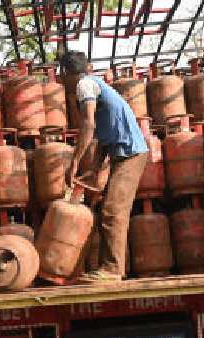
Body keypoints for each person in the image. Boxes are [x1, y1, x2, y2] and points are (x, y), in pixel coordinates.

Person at [60, 50, 149, 283]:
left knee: (113, 212)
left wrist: (74, 163)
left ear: (66, 73)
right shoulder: (95, 85)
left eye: (62, 76)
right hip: (124, 154)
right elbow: (101, 136)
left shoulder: (84, 85)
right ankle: (109, 267)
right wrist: (93, 170)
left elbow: (88, 126)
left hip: (131, 154)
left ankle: (113, 270)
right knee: (106, 211)